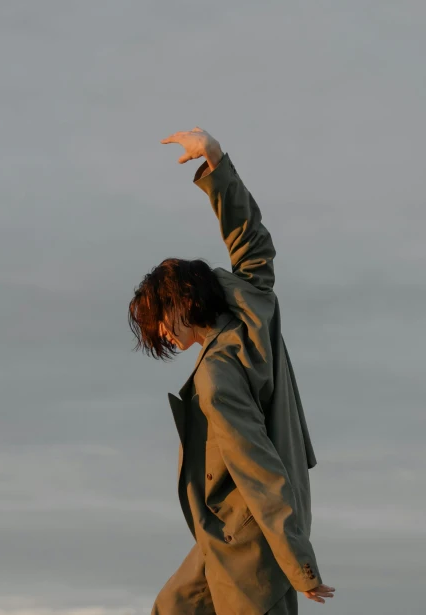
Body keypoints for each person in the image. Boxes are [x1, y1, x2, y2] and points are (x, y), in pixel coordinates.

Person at [128, 127, 335, 614]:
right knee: (171, 608)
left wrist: (299, 564)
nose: (160, 336)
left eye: (158, 322)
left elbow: (260, 471)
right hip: (225, 531)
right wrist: (215, 162)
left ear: (180, 302)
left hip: (252, 542)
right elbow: (251, 242)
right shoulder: (252, 309)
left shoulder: (217, 375)